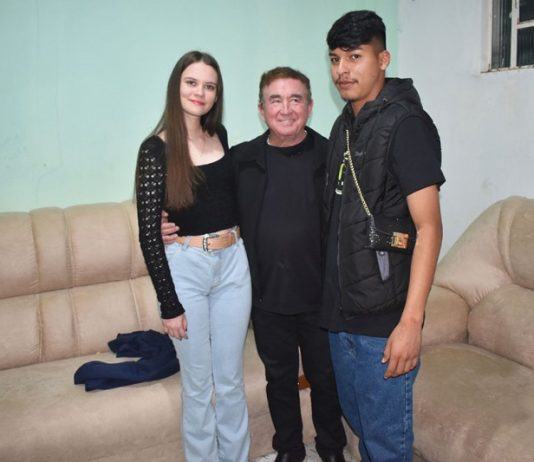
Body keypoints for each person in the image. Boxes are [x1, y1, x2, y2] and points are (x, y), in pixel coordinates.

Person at [162, 67, 347, 462]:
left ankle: (332, 448)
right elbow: (203, 197)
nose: (286, 109)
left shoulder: (331, 155)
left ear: (310, 107)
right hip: (265, 295)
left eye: (295, 99)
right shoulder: (241, 158)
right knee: (279, 379)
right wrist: (164, 221)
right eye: (275, 100)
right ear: (261, 110)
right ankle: (289, 449)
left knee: (325, 377)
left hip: (320, 294)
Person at [322, 11, 445, 462]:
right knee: (360, 424)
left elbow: (429, 227)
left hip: (384, 321)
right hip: (341, 315)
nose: (342, 69)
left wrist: (410, 323)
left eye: (355, 57)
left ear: (383, 59)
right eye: (335, 58)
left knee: (386, 444)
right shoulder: (343, 125)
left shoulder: (406, 125)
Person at [135, 50, 252, 462]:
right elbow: (149, 235)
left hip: (233, 264)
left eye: (209, 86)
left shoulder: (220, 134)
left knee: (231, 380)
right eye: (192, 82)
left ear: (217, 94)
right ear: (176, 86)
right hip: (186, 268)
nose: (200, 92)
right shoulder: (155, 149)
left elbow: (225, 200)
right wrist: (169, 304)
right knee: (199, 385)